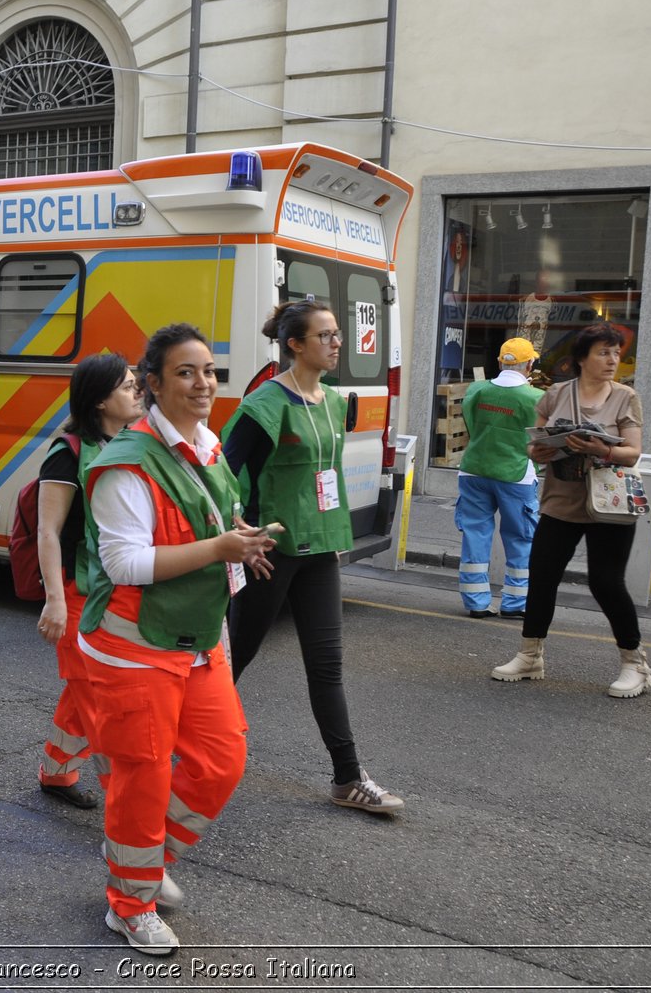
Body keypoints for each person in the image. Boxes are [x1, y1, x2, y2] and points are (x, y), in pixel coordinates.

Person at [77, 324, 273, 955]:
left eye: (209, 370)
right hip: (135, 643)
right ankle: (129, 903)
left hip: (198, 635)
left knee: (223, 759)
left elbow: (204, 517)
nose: (203, 383)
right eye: (185, 373)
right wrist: (219, 548)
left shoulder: (208, 444)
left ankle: (140, 859)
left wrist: (234, 537)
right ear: (153, 385)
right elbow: (126, 564)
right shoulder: (124, 464)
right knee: (144, 775)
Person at [221, 298, 404, 815]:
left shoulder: (331, 399)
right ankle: (173, 741)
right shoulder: (264, 403)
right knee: (232, 658)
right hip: (273, 552)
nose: (336, 343)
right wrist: (239, 527)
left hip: (322, 547)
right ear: (294, 345)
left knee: (327, 667)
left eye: (337, 334)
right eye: (324, 336)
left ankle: (347, 778)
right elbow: (220, 472)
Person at [492, 322, 648, 697]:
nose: (612, 359)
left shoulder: (625, 397)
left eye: (615, 352)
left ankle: (635, 664)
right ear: (581, 358)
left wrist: (601, 449)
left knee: (606, 582)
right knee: (542, 575)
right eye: (603, 352)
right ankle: (530, 656)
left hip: (607, 504)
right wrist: (540, 451)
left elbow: (633, 451)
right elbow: (535, 443)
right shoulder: (555, 394)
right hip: (560, 500)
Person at [35, 354, 142, 810]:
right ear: (100, 401)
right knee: (101, 700)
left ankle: (56, 770)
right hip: (79, 594)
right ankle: (130, 805)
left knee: (86, 689)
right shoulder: (69, 452)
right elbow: (47, 532)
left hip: (119, 592)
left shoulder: (135, 443)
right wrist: (54, 601)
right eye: (127, 386)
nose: (138, 392)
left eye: (138, 383)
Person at [457, 337, 545, 619]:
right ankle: (515, 603)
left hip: (474, 470)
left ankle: (476, 602)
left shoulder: (478, 390)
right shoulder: (535, 397)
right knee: (520, 538)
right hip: (515, 475)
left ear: (498, 362)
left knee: (475, 534)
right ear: (530, 363)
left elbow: (471, 425)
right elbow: (541, 440)